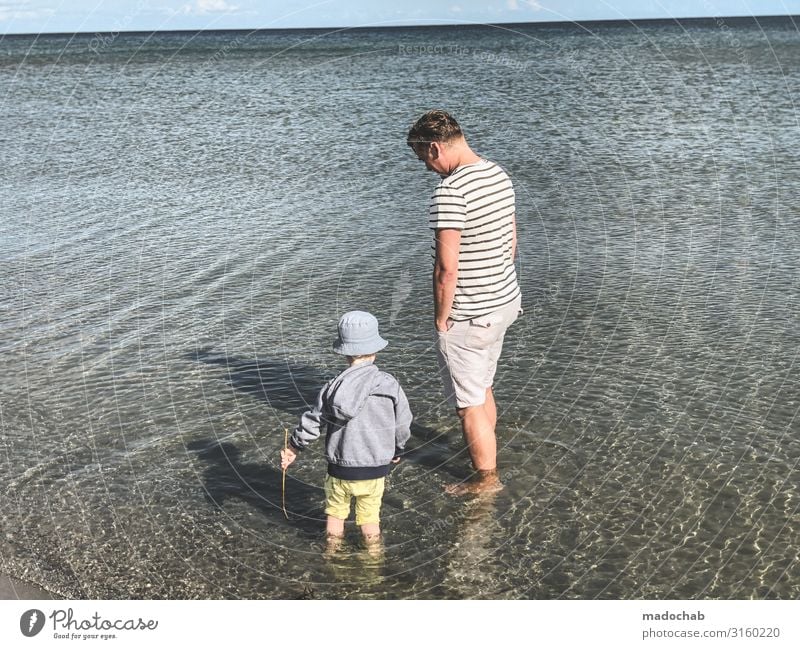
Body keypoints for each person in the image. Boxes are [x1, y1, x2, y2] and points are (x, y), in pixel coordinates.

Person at [407, 109, 522, 495]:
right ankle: (488, 451)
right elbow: (512, 241)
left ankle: (486, 481)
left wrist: (442, 319)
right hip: (504, 301)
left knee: (467, 404)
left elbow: (446, 269)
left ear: (436, 147)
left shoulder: (450, 192)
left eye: (424, 157)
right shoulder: (497, 173)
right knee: (482, 386)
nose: (426, 167)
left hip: (469, 314)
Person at [280, 311, 412, 551]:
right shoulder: (389, 384)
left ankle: (332, 556)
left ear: (344, 351)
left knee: (335, 516)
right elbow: (403, 423)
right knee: (370, 519)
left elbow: (313, 422)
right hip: (375, 468)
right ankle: (373, 560)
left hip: (340, 468)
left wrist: (293, 447)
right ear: (375, 348)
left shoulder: (332, 387)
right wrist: (398, 448)